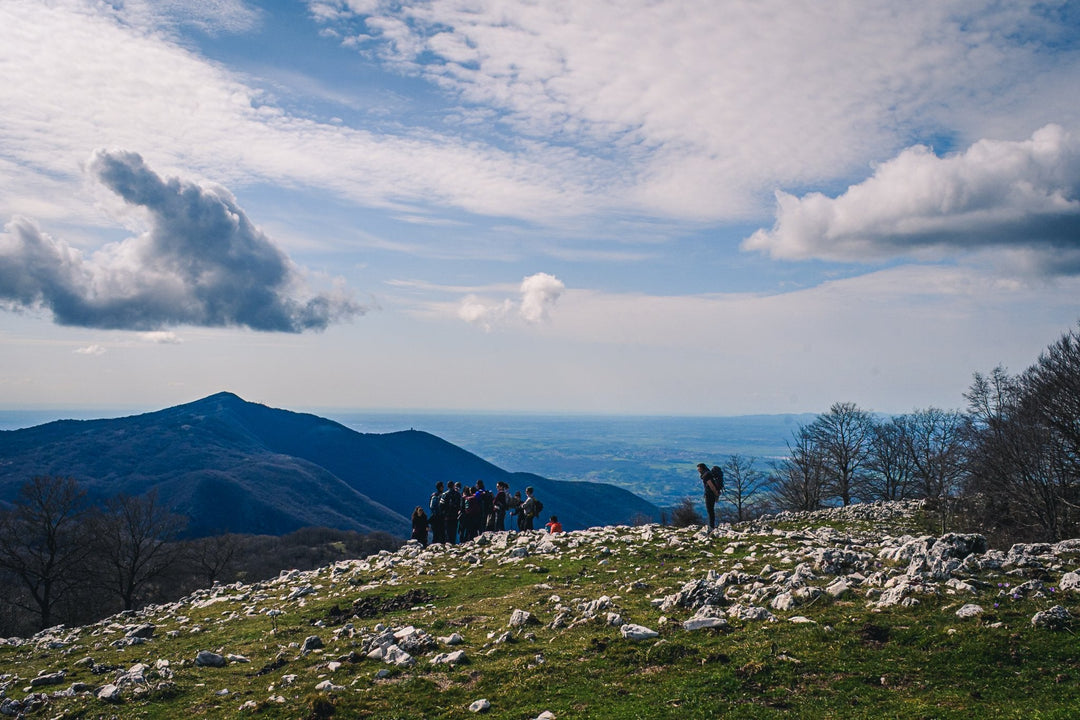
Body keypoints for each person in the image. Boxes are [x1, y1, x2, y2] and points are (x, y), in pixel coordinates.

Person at [697, 462, 724, 531]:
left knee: (710, 510)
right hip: (712, 494)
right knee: (711, 510)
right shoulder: (709, 473)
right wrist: (716, 495)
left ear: (702, 468)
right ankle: (712, 525)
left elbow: (711, 485)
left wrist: (716, 494)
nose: (699, 471)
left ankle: (711, 526)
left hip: (709, 494)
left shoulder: (706, 475)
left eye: (699, 470)